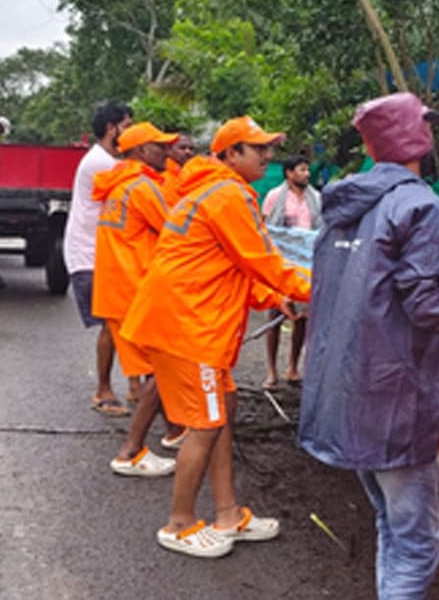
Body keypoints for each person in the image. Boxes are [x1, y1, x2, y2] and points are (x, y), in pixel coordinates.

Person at [122, 116, 311, 559]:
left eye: (268, 148)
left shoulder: (216, 191)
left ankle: (228, 514)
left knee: (221, 411)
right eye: (256, 148)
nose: (267, 155)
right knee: (206, 423)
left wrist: (272, 296)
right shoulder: (227, 196)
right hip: (190, 327)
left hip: (187, 321)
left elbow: (230, 264)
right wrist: (317, 286)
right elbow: (261, 260)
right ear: (229, 155)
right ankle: (180, 523)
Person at [298, 93, 439, 600]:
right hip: (398, 408)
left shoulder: (341, 209)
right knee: (416, 544)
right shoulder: (422, 208)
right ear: (417, 136)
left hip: (343, 400)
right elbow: (429, 308)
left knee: (390, 525)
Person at [92, 122, 184, 477]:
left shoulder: (118, 186)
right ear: (141, 152)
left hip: (117, 290)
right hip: (134, 291)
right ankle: (131, 451)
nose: (167, 153)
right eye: (159, 147)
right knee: (160, 369)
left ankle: (175, 432)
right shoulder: (143, 188)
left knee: (151, 369)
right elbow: (177, 230)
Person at [65, 101, 133, 416]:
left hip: (99, 251)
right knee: (113, 321)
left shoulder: (106, 159)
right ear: (112, 128)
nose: (129, 133)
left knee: (124, 319)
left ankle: (133, 387)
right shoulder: (103, 164)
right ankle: (103, 391)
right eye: (127, 126)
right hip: (90, 253)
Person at [260, 155, 322, 389]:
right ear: (289, 173)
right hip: (281, 262)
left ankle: (293, 367)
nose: (306, 174)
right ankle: (271, 370)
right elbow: (267, 228)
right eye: (301, 170)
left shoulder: (316, 198)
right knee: (275, 314)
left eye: (307, 170)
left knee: (302, 317)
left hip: (306, 265)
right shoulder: (275, 197)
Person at [163, 131, 195, 205]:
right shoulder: (162, 177)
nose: (188, 151)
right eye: (182, 148)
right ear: (169, 150)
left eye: (191, 149)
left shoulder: (194, 174)